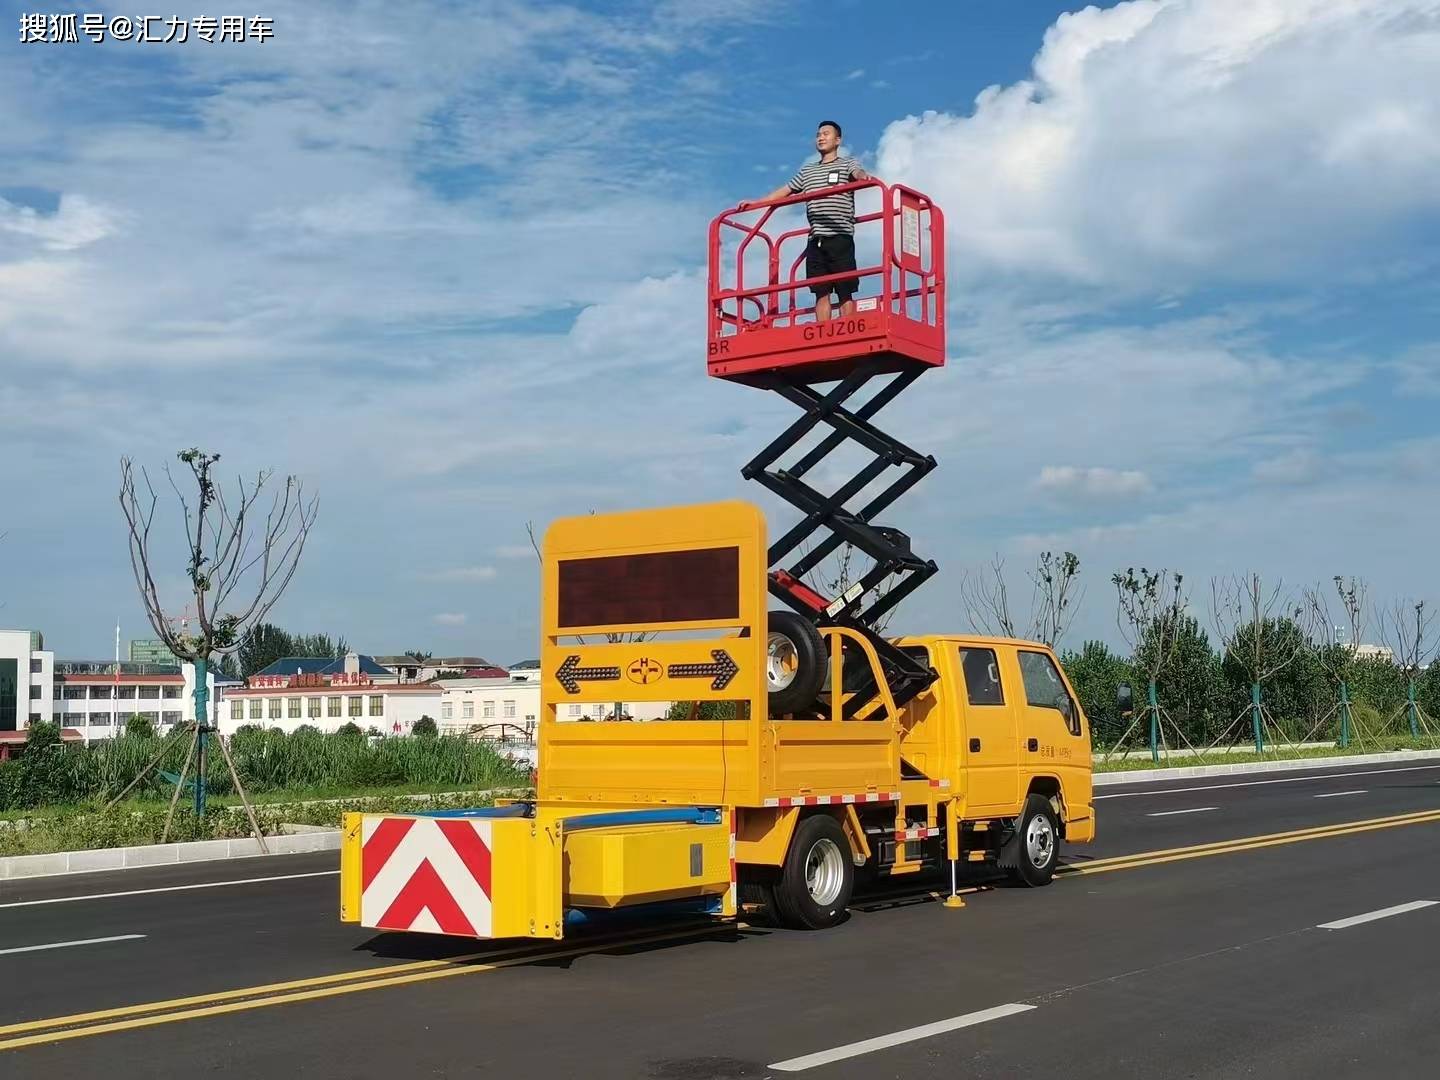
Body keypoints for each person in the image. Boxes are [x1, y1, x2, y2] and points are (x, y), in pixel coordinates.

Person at [741, 121, 874, 322]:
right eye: (818, 134)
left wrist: (863, 177)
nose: (821, 137)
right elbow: (785, 191)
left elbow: (858, 173)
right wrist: (757, 203)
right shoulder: (808, 171)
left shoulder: (847, 163)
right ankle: (824, 330)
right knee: (820, 291)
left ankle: (848, 326)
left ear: (838, 140)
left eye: (826, 134)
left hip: (840, 235)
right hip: (816, 238)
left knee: (844, 289)